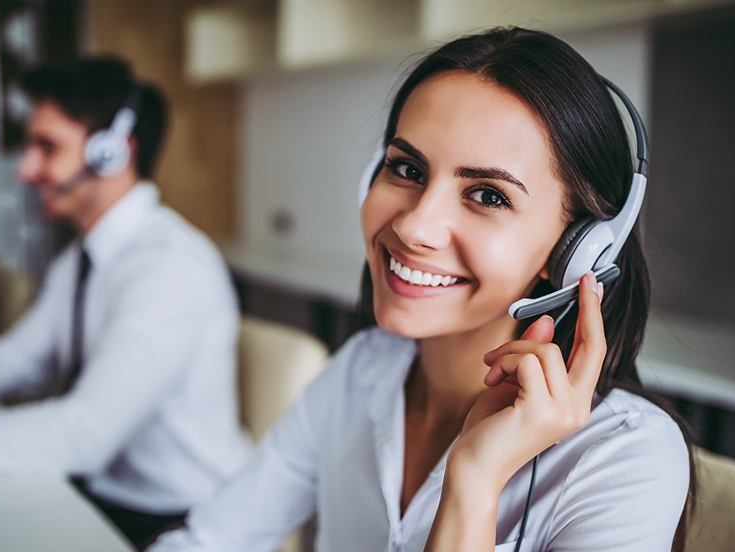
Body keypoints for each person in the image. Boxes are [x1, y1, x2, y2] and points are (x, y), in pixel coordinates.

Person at [147, 28, 694, 552]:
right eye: (406, 167)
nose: (412, 227)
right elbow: (211, 541)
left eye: (488, 195)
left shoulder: (624, 457)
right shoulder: (359, 375)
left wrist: (475, 483)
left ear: (577, 251)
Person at [0, 58, 250, 549]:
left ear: (112, 152)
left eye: (47, 147)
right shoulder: (81, 259)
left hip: (175, 516)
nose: (25, 169)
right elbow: (11, 361)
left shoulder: (167, 269)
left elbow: (82, 436)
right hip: (105, 492)